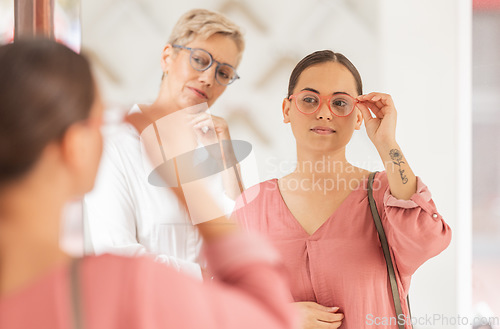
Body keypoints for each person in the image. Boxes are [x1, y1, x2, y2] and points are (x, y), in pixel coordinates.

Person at [0, 38, 297, 329]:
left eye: (223, 72)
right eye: (100, 121)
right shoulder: (123, 289)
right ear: (75, 147)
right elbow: (271, 318)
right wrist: (190, 189)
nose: (208, 78)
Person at [232, 50, 452, 329]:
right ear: (287, 109)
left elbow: (427, 240)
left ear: (358, 117)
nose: (324, 113)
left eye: (340, 103)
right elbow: (227, 304)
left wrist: (387, 143)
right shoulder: (252, 205)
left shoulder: (386, 194)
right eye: (310, 100)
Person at [83, 8, 245, 280]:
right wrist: (209, 280)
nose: (208, 79)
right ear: (167, 57)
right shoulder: (114, 145)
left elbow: (246, 241)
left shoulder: (216, 146)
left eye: (224, 73)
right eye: (199, 60)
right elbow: (117, 255)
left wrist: (226, 160)